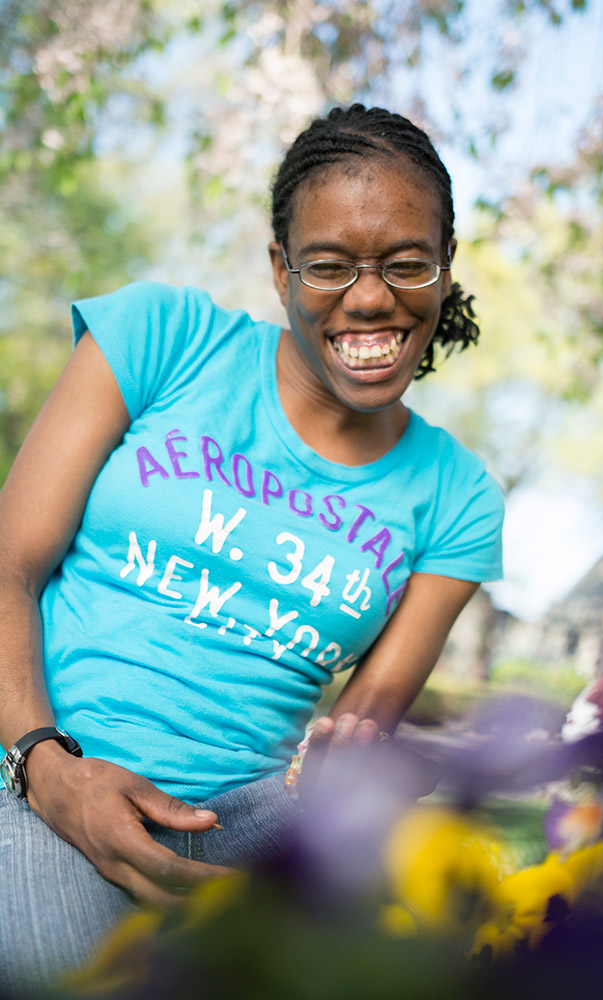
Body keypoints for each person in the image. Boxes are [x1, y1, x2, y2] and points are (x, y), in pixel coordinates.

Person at [0, 104, 504, 994]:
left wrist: (361, 759)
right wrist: (45, 766)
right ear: (281, 270)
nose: (370, 297)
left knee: (445, 951)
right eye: (329, 265)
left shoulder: (456, 496)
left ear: (443, 266)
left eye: (405, 262)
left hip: (244, 815)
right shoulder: (162, 339)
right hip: (40, 766)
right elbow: (9, 566)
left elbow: (367, 716)